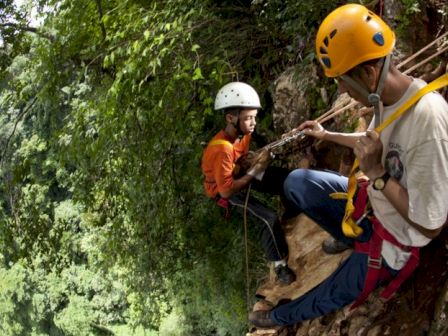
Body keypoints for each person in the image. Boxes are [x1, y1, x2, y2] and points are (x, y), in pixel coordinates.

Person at [249, 4, 448, 327]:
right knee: (298, 183)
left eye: (343, 81)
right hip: (376, 206)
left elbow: (431, 225)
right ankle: (351, 235)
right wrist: (325, 133)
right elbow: (369, 143)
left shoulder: (427, 123)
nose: (341, 89)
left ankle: (278, 316)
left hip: (397, 241)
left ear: (369, 74)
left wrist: (379, 176)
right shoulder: (390, 98)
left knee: (332, 289)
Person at [201, 82, 296, 285]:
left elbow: (244, 159)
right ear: (231, 119)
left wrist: (254, 162)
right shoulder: (221, 150)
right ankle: (279, 265)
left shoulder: (243, 134)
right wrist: (255, 170)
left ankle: (293, 210)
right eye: (248, 118)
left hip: (239, 173)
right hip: (224, 190)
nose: (253, 123)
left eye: (254, 117)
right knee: (268, 218)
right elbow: (226, 192)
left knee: (284, 178)